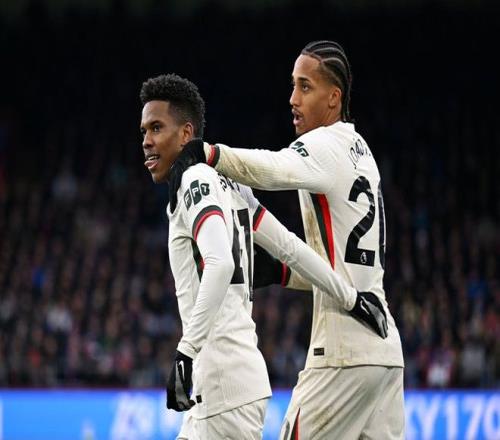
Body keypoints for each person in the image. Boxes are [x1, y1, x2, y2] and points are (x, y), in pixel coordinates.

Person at [168, 40, 405, 439]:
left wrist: (209, 154)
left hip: (341, 353)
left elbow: (274, 169)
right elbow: (340, 265)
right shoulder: (362, 152)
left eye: (305, 87)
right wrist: (282, 273)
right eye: (293, 85)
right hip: (385, 352)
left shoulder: (323, 143)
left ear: (334, 98)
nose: (293, 99)